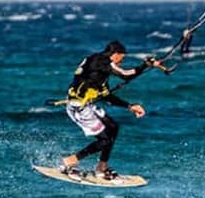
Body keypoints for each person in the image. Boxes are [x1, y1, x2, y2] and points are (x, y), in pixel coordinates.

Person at [59, 40, 170, 179]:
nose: (121, 62)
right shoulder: (102, 61)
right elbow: (125, 74)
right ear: (115, 55)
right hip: (78, 107)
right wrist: (145, 65)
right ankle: (69, 162)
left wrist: (130, 106)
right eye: (121, 58)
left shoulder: (98, 70)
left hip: (87, 104)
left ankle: (101, 167)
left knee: (113, 127)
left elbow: (107, 96)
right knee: (104, 140)